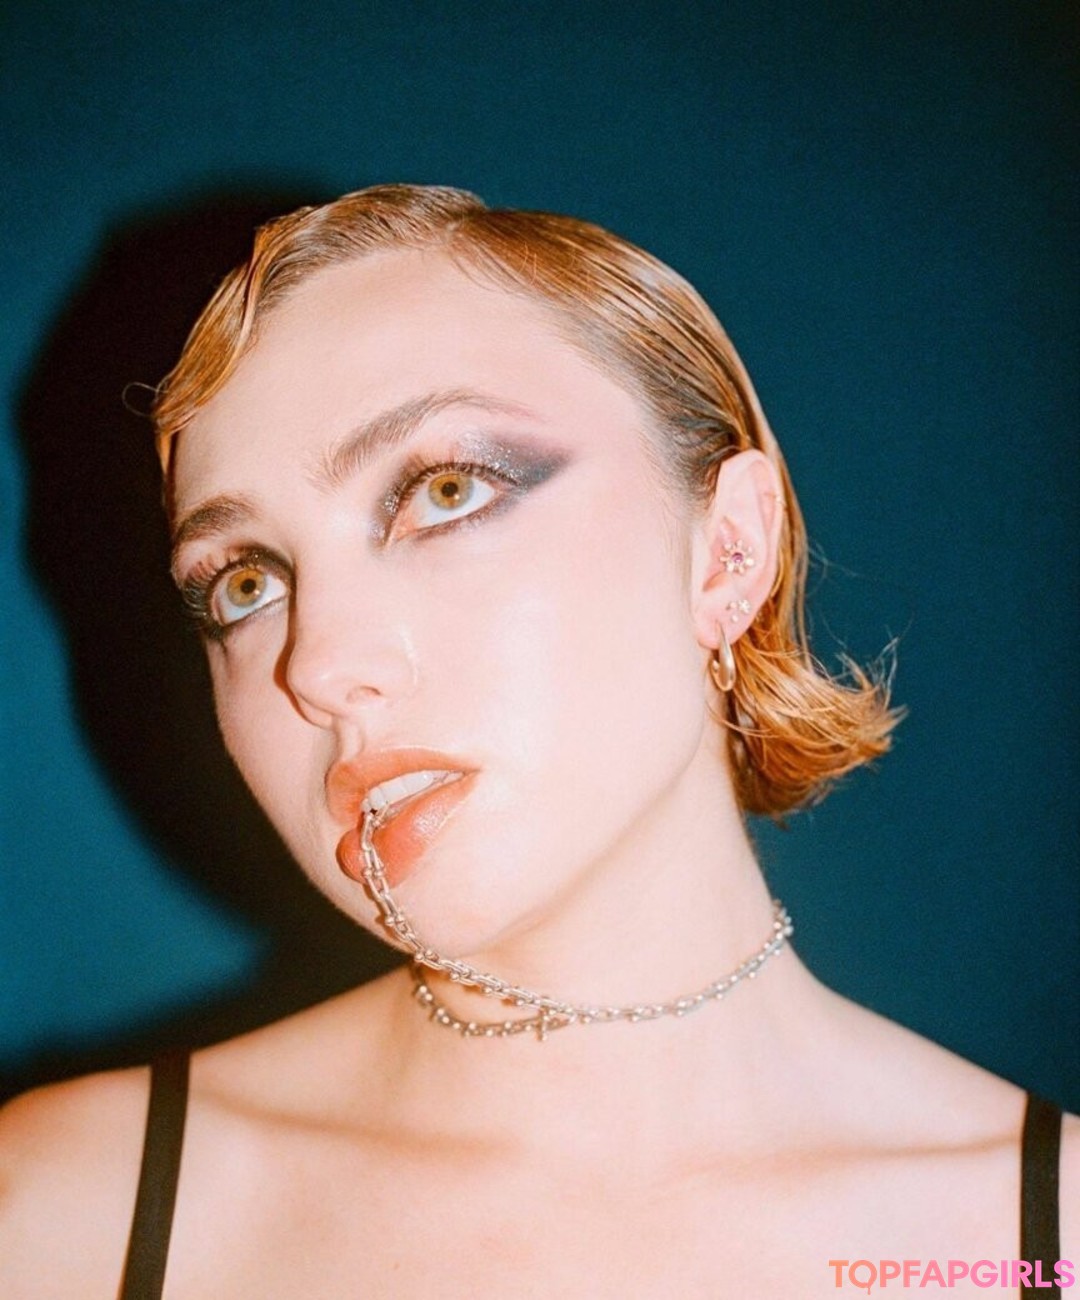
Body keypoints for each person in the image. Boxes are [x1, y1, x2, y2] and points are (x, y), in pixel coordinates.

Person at [0, 185, 1073, 1298]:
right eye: (246, 583)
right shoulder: (65, 1216)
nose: (318, 666)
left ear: (727, 552)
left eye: (445, 490)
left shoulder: (1044, 1237)